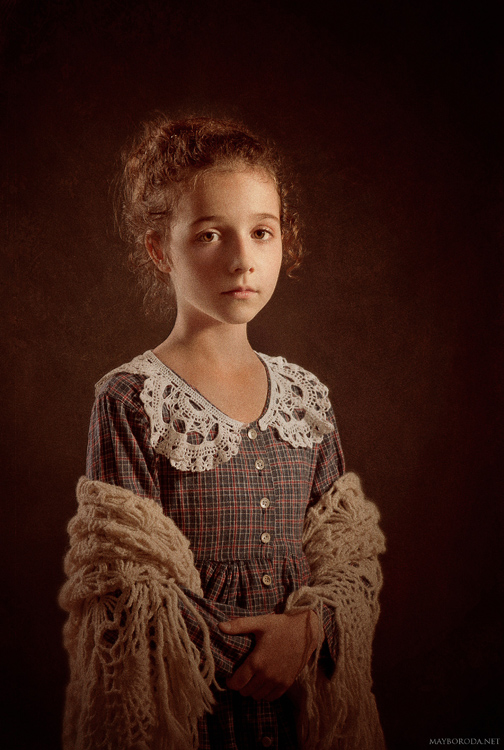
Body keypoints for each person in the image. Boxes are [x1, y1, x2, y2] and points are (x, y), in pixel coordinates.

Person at [59, 116, 387, 750]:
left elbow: (345, 554)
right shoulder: (130, 399)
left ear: (283, 242)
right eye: (211, 234)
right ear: (160, 249)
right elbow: (129, 578)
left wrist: (305, 635)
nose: (242, 259)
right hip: (193, 703)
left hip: (300, 704)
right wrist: (249, 655)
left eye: (261, 232)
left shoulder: (307, 397)